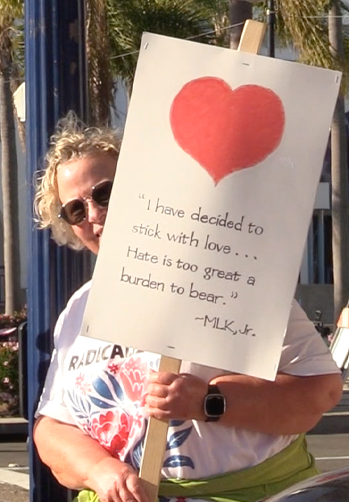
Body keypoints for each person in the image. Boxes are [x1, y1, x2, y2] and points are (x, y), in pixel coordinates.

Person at [31, 113, 343, 502]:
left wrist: (209, 401)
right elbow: (52, 428)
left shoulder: (228, 275)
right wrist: (100, 471)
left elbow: (320, 390)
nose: (93, 215)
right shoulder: (79, 308)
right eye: (75, 210)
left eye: (104, 193)